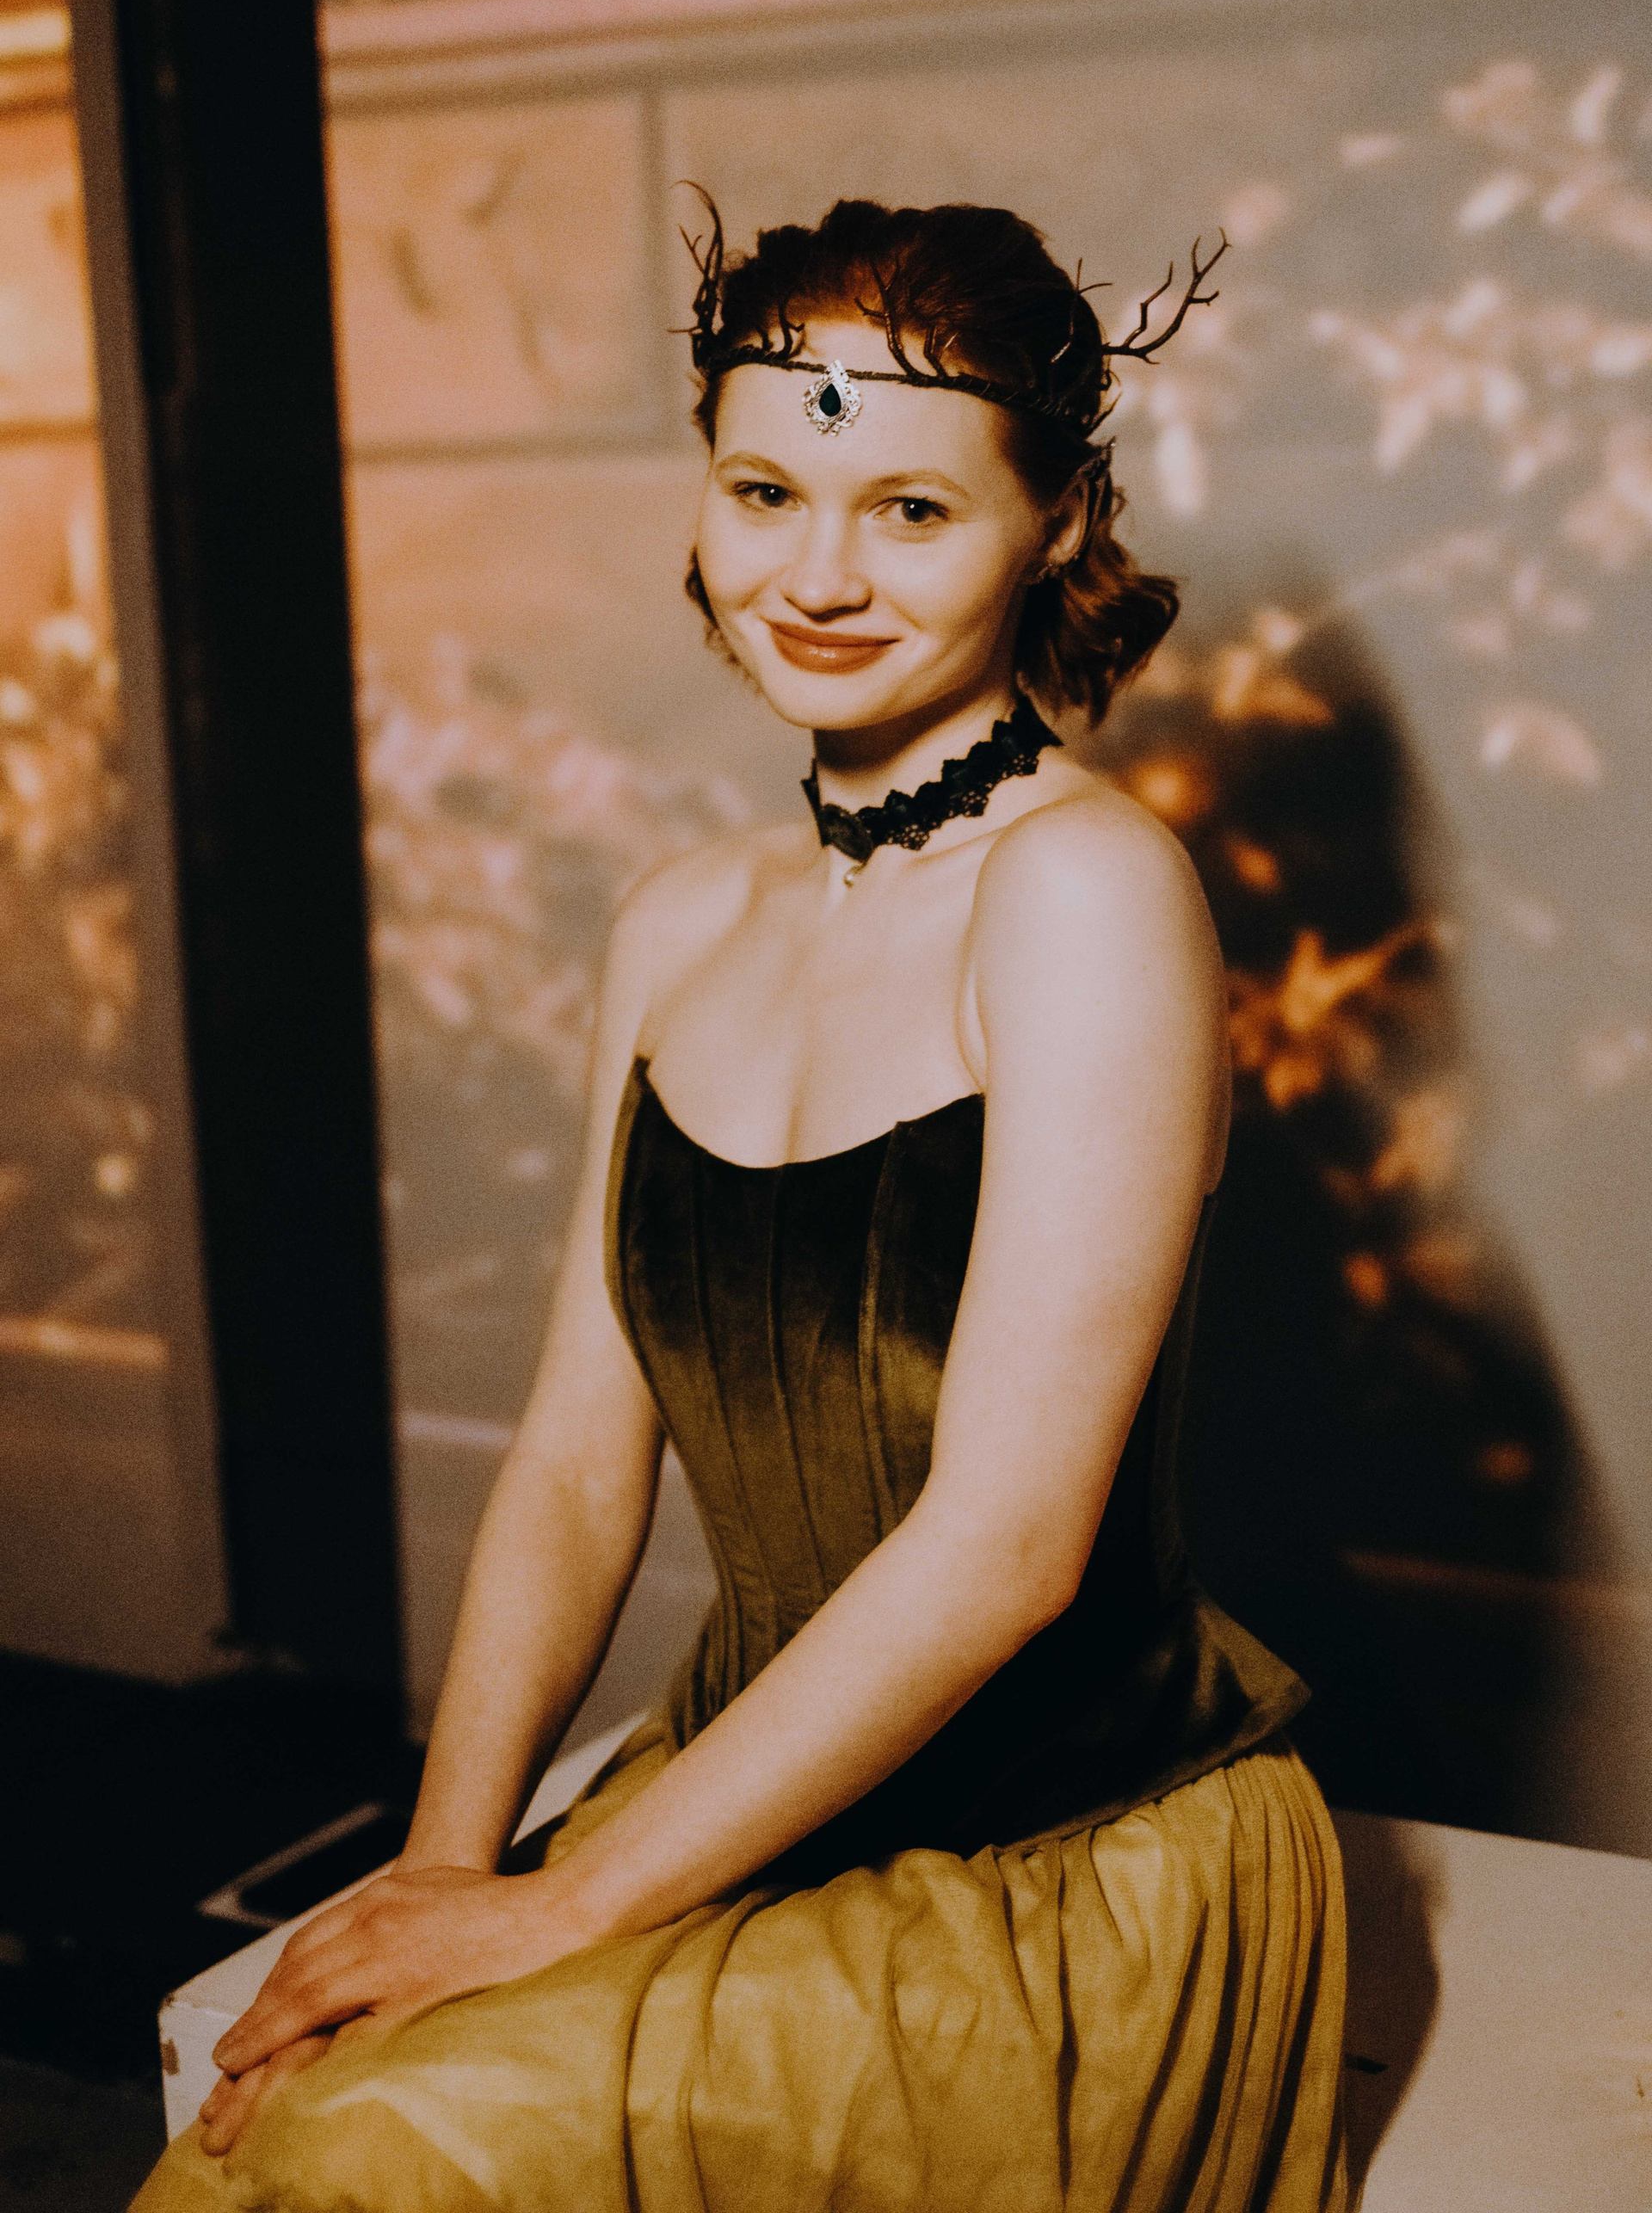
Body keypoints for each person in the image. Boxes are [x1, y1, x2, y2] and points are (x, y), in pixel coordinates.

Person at [135, 197, 1347, 2212]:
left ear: (1053, 523)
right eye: (768, 490)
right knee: (292, 2115)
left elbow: (1007, 1552)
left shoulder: (1088, 893)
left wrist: (556, 1909)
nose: (819, 575)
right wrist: (442, 1874)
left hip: (1056, 1853)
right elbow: (570, 1468)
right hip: (733, 1785)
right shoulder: (680, 919)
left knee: (364, 2156)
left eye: (911, 511)